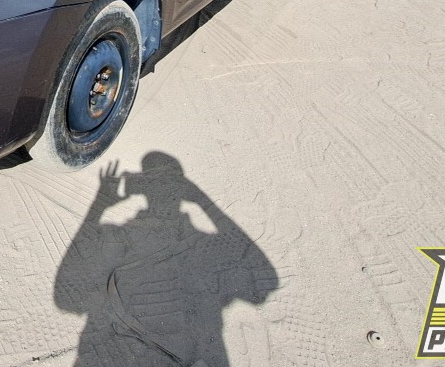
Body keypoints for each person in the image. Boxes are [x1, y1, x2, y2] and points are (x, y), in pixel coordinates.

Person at [56, 152, 279, 366]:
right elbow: (266, 278)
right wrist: (201, 200)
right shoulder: (199, 242)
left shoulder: (123, 233)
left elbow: (64, 299)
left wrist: (99, 205)